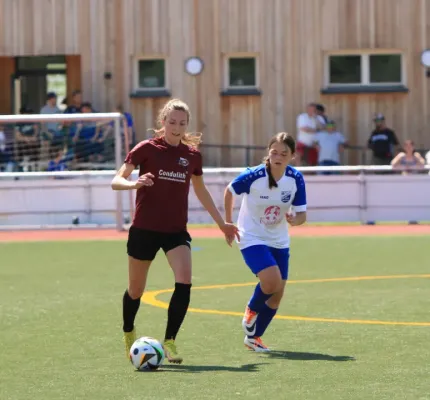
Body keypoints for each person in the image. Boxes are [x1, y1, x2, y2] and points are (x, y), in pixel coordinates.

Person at [111, 98, 239, 364]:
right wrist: (134, 184)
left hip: (175, 231)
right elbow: (116, 180)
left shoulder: (192, 156)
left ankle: (170, 341)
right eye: (172, 122)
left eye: (182, 123)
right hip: (144, 229)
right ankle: (128, 333)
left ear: (187, 125)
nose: (176, 127)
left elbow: (201, 190)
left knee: (185, 280)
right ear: (163, 122)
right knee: (136, 290)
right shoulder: (146, 148)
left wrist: (222, 223)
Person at [224, 132, 307, 352]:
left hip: (279, 240)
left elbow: (301, 215)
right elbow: (229, 191)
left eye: (283, 153)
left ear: (292, 157)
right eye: (274, 152)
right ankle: (251, 310)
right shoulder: (254, 175)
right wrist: (228, 223)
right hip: (251, 236)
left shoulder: (295, 178)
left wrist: (294, 220)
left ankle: (254, 338)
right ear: (268, 154)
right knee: (271, 282)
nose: (278, 157)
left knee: (277, 295)